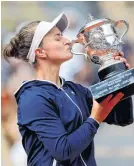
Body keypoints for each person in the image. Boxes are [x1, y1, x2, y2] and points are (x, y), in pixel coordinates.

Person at [3, 12, 131, 166]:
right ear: (40, 52)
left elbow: (123, 118)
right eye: (58, 38)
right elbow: (63, 152)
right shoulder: (33, 97)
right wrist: (95, 119)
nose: (68, 40)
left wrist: (116, 74)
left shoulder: (75, 90)